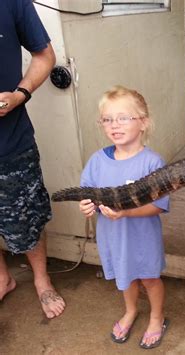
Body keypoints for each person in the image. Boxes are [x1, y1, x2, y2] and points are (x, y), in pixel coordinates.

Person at [78, 86, 170, 349]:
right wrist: (87, 207)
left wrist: (126, 212)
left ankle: (156, 316)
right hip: (113, 236)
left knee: (150, 279)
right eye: (107, 119)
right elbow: (88, 194)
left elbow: (159, 205)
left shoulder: (152, 162)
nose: (114, 125)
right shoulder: (98, 160)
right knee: (124, 276)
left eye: (123, 118)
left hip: (143, 237)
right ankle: (130, 311)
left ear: (143, 122)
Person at [0, 0, 66, 318]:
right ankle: (2, 278)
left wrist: (20, 94)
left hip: (11, 144)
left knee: (28, 218)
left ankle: (42, 280)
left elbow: (44, 55)